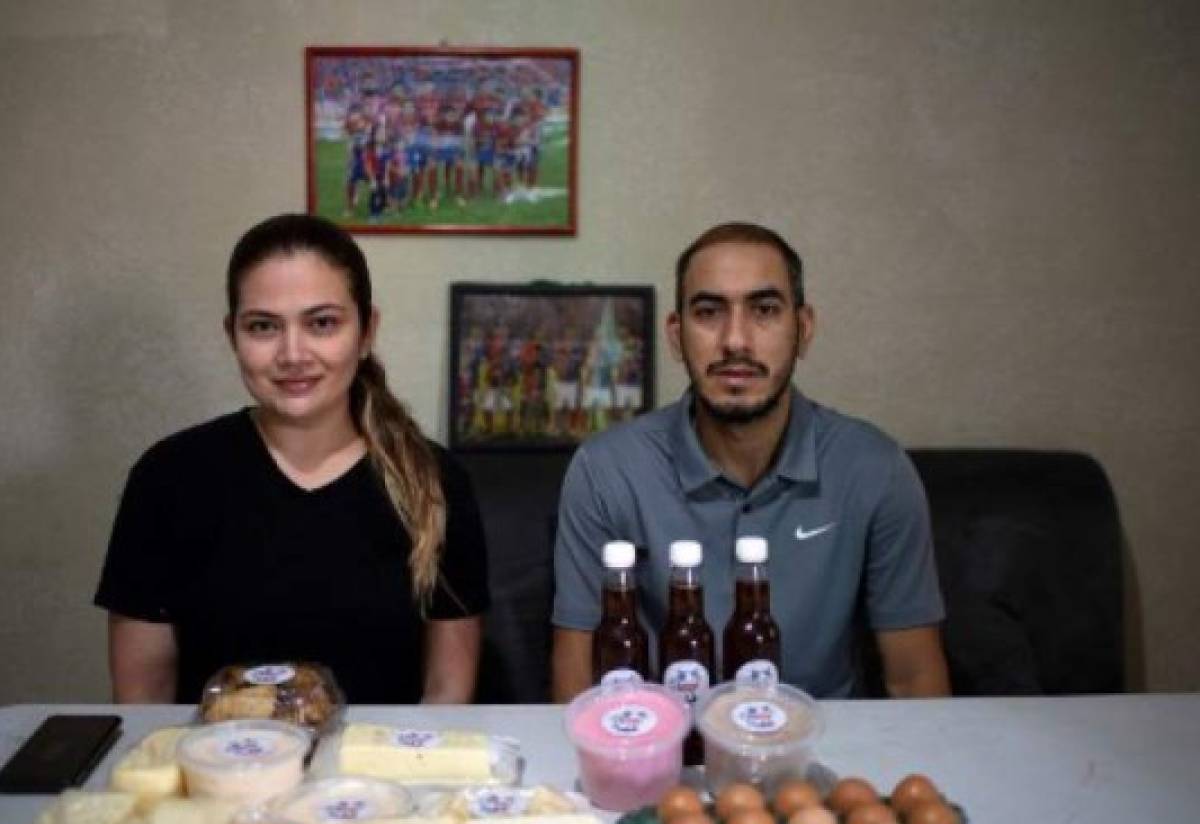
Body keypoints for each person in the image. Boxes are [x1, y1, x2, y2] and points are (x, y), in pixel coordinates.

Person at [96, 213, 489, 704]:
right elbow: (141, 698)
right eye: (263, 326)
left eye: (322, 323)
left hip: (380, 777)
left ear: (367, 332)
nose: (293, 353)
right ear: (232, 335)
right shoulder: (168, 479)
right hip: (218, 773)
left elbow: (447, 694)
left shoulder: (437, 481)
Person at [552, 221, 950, 701]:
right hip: (662, 758)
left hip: (824, 752)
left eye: (764, 310)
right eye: (708, 311)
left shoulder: (875, 469)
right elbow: (576, 690)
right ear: (676, 337)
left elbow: (914, 680)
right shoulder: (605, 471)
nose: (736, 340)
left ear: (802, 330)